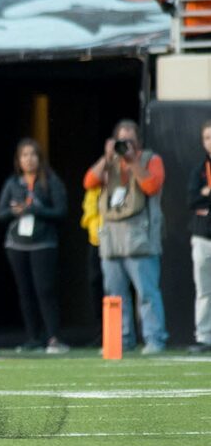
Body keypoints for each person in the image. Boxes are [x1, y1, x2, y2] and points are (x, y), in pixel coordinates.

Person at [84, 119, 167, 354]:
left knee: (147, 293)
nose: (126, 145)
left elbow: (151, 186)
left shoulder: (151, 159)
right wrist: (106, 157)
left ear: (138, 141)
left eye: (130, 141)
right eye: (122, 141)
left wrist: (133, 162)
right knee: (115, 293)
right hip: (111, 238)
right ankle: (121, 339)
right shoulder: (111, 163)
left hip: (140, 238)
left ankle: (154, 338)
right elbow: (89, 182)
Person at [0, 138, 69, 354]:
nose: (29, 159)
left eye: (33, 154)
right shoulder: (12, 183)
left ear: (40, 158)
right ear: (19, 160)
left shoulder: (51, 181)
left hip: (43, 243)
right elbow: (0, 214)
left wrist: (35, 210)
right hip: (17, 245)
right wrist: (14, 212)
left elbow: (61, 212)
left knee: (45, 290)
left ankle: (53, 337)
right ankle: (32, 337)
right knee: (24, 291)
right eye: (24, 155)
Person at [187, 120, 211, 353]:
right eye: (207, 138)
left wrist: (206, 196)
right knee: (204, 290)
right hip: (203, 237)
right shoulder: (199, 170)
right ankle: (204, 337)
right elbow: (192, 200)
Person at [80, 186, 104, 345]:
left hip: (119, 239)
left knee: (116, 289)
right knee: (96, 285)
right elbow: (88, 179)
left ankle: (124, 334)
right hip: (96, 240)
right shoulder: (95, 187)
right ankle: (102, 333)